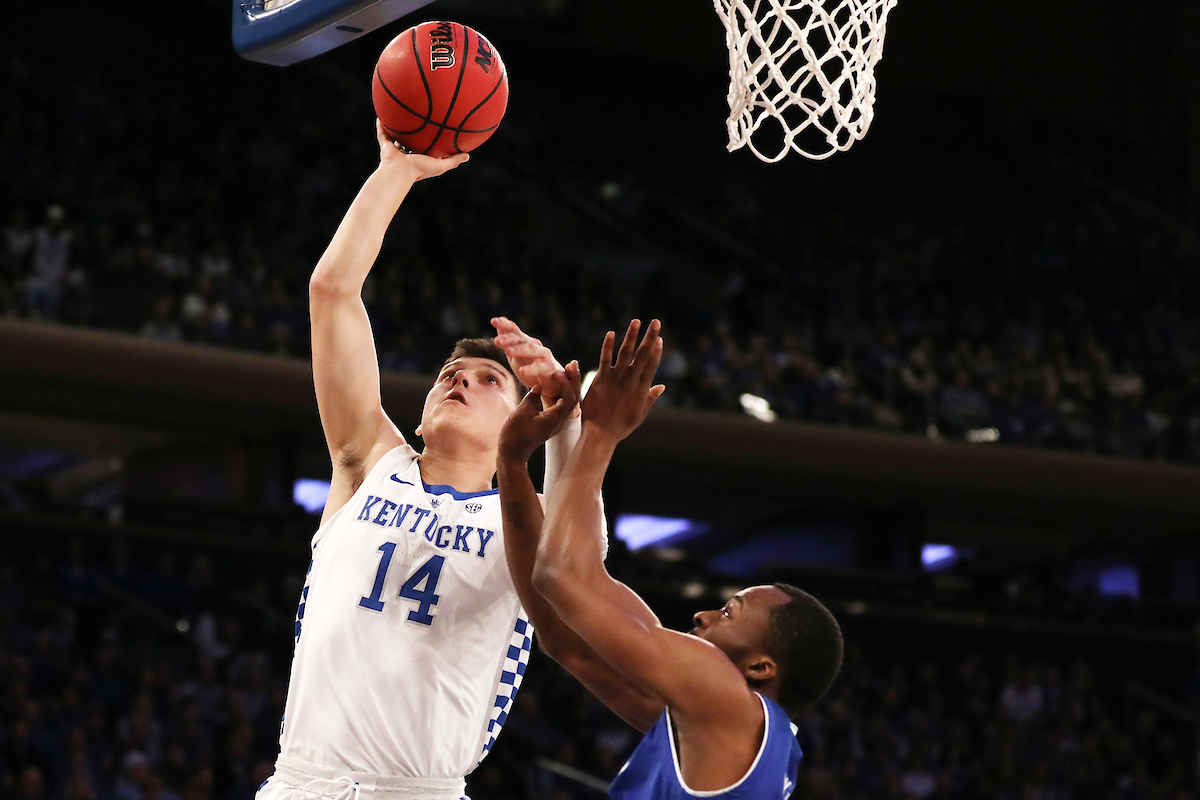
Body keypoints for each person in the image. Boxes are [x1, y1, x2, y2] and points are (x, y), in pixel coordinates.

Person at [257, 121, 581, 800]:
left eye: (489, 380)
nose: (459, 379)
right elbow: (332, 293)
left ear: (516, 424)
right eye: (448, 374)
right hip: (299, 786)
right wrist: (397, 172)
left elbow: (584, 551)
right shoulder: (368, 462)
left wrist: (565, 417)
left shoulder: (525, 520)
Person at [496, 320, 844, 799]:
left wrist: (600, 431)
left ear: (762, 668)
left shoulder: (725, 695)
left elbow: (561, 575)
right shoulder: (714, 720)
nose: (703, 614)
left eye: (729, 612)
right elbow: (564, 637)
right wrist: (540, 443)